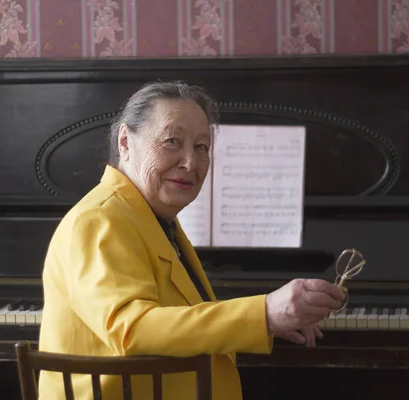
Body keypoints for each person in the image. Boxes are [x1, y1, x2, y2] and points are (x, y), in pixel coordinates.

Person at [37, 81, 345, 400]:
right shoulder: (99, 219)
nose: (190, 162)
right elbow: (134, 330)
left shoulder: (149, 216)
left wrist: (268, 323)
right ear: (126, 142)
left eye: (201, 147)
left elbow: (178, 322)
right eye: (172, 141)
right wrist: (264, 313)